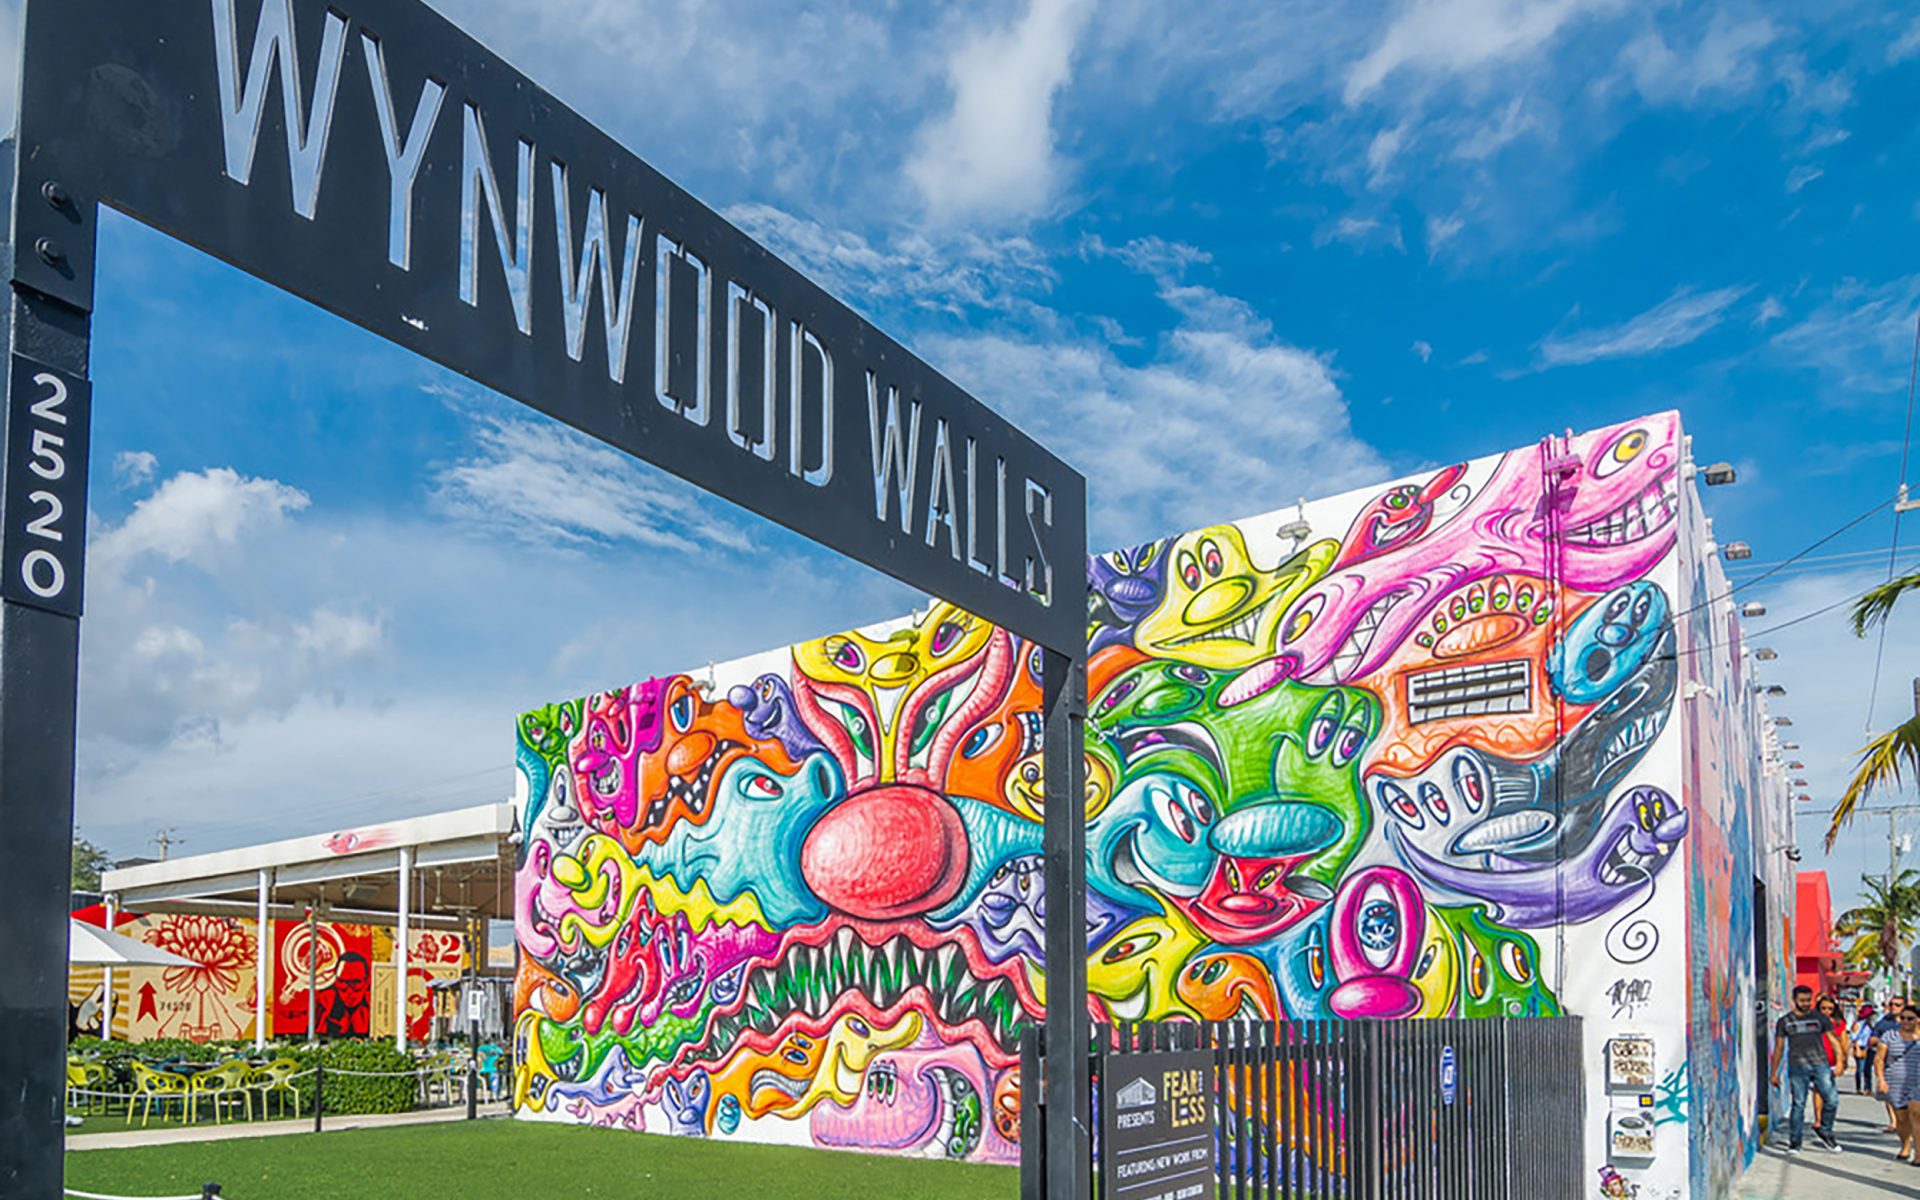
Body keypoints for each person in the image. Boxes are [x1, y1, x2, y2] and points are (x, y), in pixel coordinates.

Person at [1771, 984, 1842, 1152]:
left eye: (1808, 1000)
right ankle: (1795, 1142)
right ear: (1794, 1000)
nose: (1805, 1003)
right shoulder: (1785, 1022)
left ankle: (1825, 1130)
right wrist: (1774, 1073)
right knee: (1799, 1104)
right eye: (1802, 1000)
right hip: (1798, 1066)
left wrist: (1840, 1062)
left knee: (1832, 1100)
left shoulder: (1820, 1018)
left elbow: (1833, 1040)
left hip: (1821, 1065)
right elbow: (1779, 1048)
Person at [1879, 1007, 1920, 1163]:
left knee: (1917, 1116)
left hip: (1918, 1081)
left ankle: (1918, 1154)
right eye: (1902, 1018)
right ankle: (1906, 1144)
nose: (1905, 1021)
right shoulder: (1890, 1036)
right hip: (1896, 1082)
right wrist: (1881, 1079)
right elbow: (1879, 1059)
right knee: (1902, 1119)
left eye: (1910, 1018)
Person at [1814, 995, 1851, 1129]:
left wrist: (1844, 1059)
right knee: (1818, 1089)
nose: (1826, 1011)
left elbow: (1844, 1041)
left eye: (1830, 1008)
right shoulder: (1813, 1021)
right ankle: (1818, 1118)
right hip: (1817, 1059)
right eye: (1823, 1008)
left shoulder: (1839, 1023)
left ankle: (1826, 1117)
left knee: (1828, 1089)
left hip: (1833, 1059)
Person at [1875, 998, 1909, 1131]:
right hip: (1891, 1066)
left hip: (1912, 1069)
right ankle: (1894, 1122)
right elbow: (1873, 1039)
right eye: (1891, 1004)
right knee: (1891, 1097)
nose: (1894, 1007)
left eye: (1898, 1005)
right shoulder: (1884, 1023)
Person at [1854, 1005, 1879, 1093]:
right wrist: (1857, 1049)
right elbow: (1855, 1038)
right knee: (1860, 1068)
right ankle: (1858, 1087)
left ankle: (1867, 1088)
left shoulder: (1872, 1026)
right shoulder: (1858, 1024)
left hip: (1869, 1047)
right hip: (1860, 1046)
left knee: (1867, 1068)